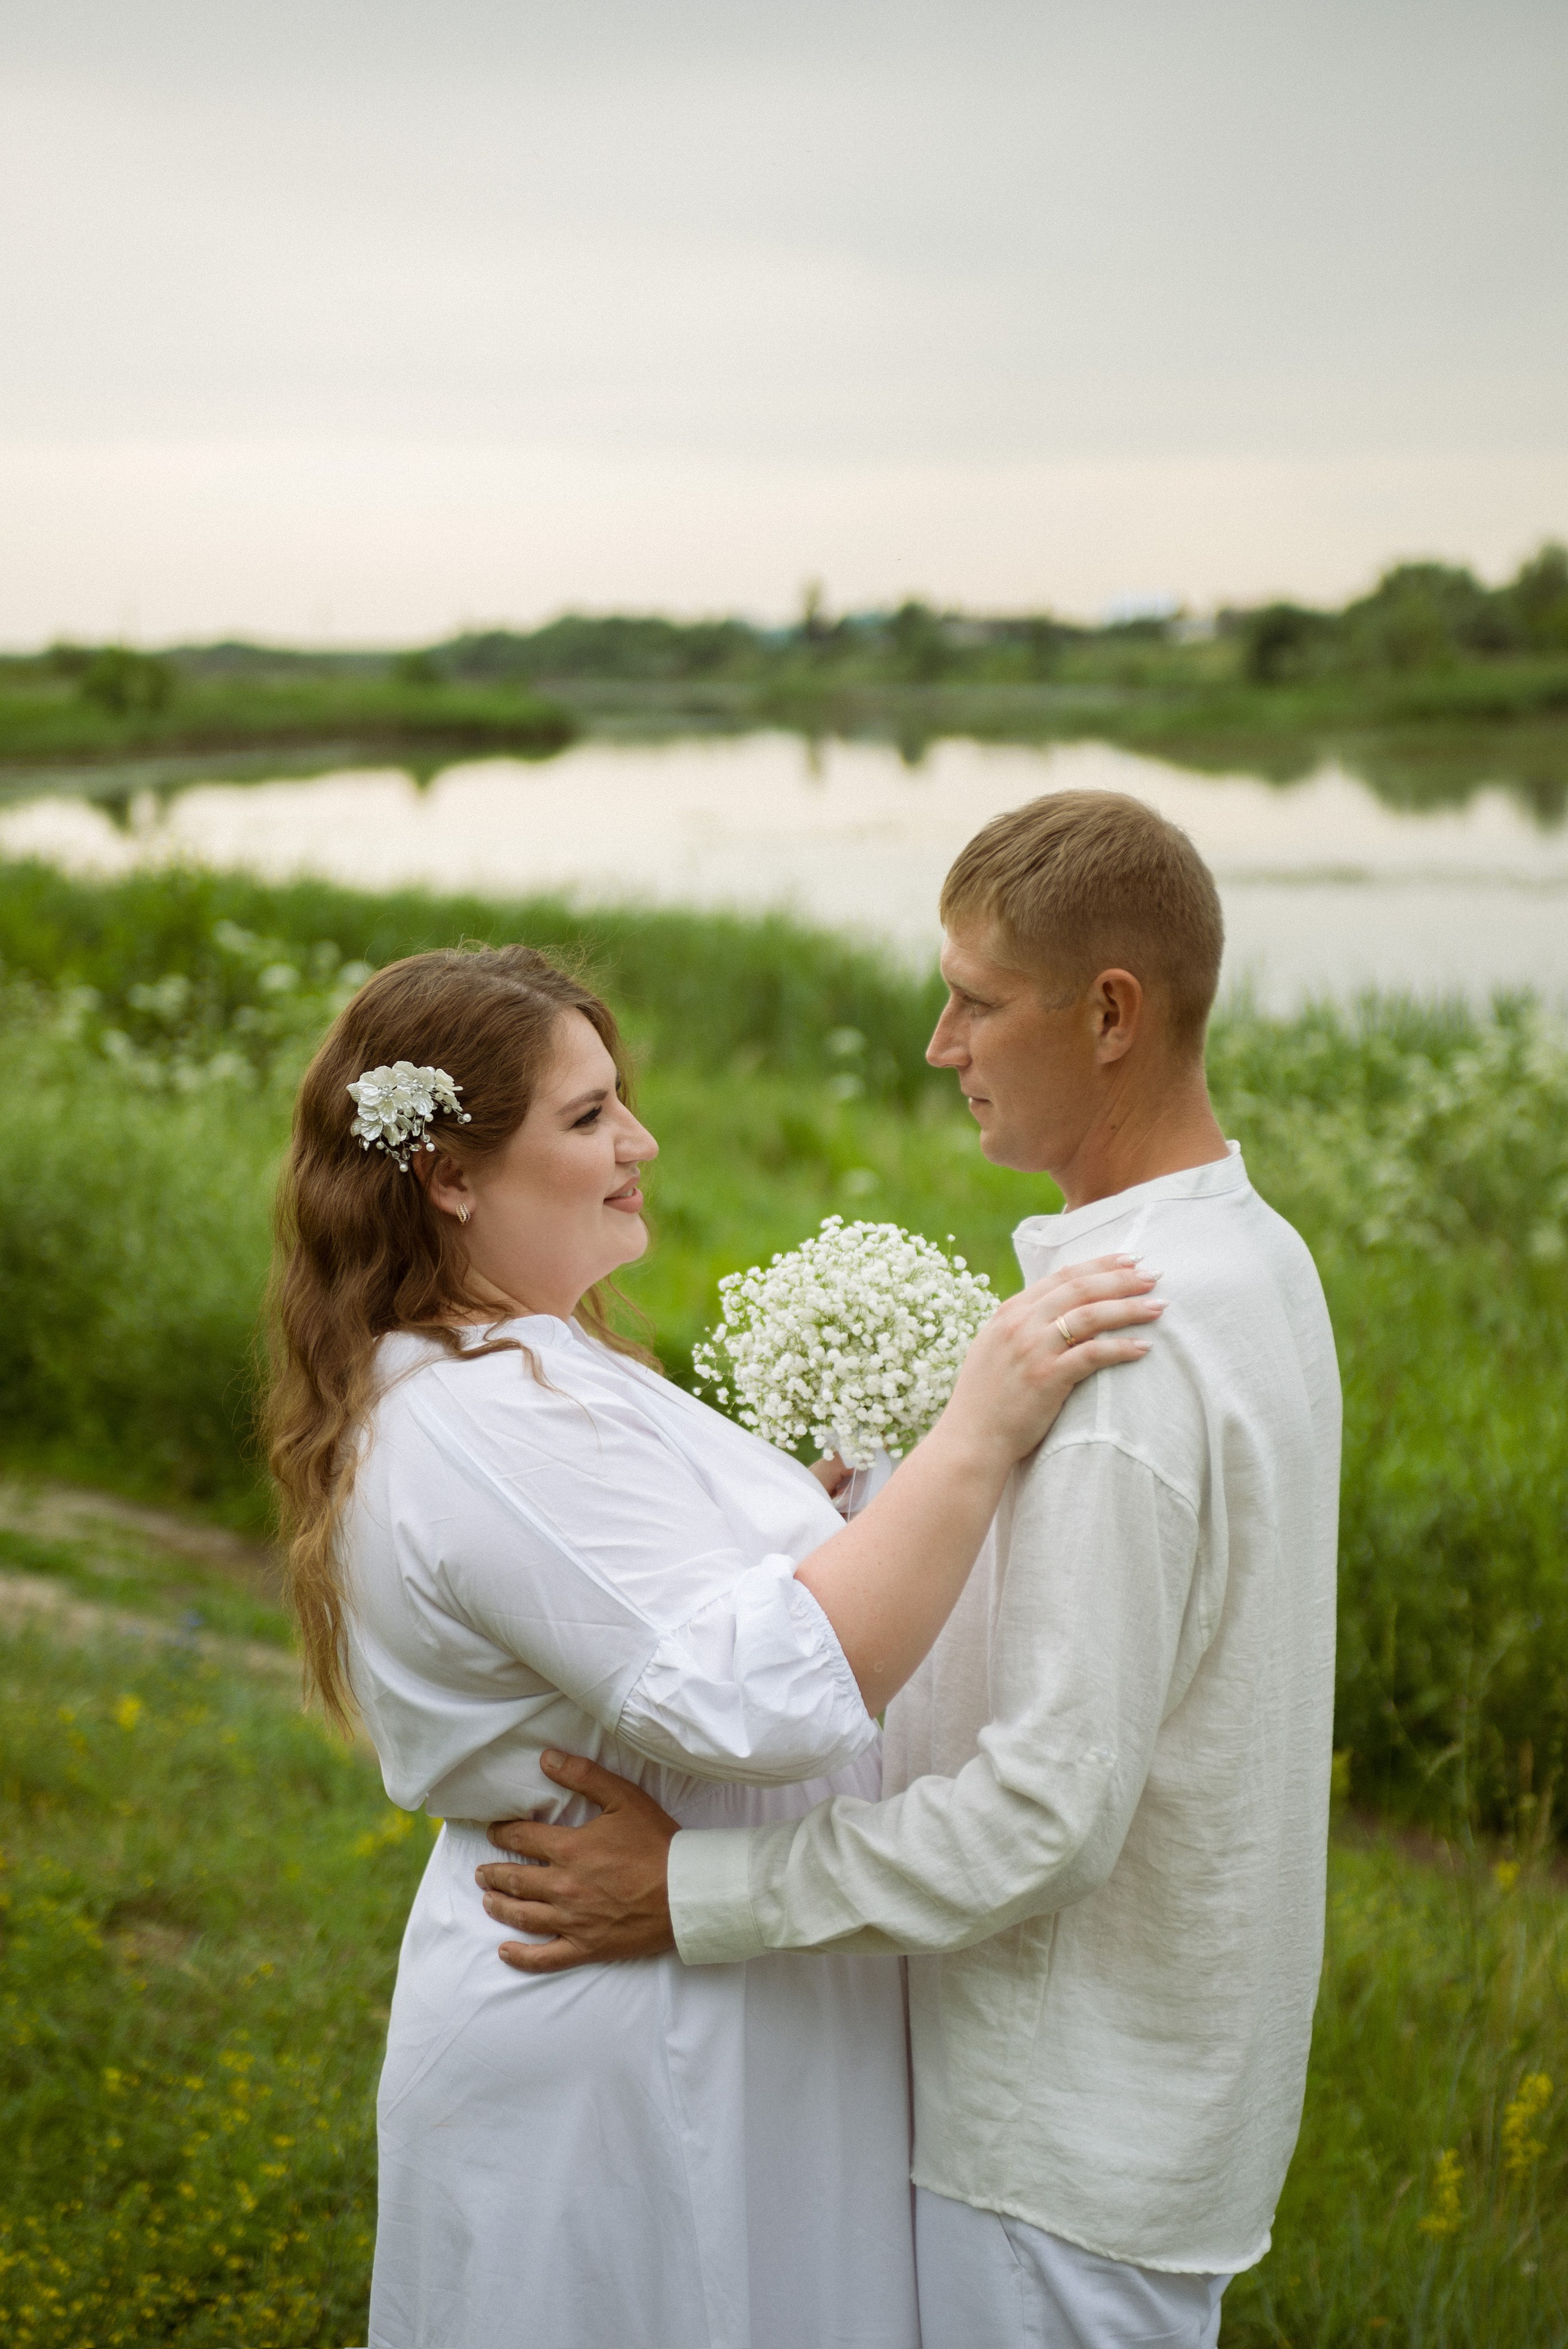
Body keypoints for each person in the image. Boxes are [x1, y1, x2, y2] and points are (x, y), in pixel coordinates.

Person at [475, 792, 1343, 2349]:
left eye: (976, 1001)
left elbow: (1042, 1816)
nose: (940, 1044)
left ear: (1110, 1015)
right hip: (1149, 2103)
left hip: (1054, 2140)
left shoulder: (1125, 1353)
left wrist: (688, 1889)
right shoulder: (1250, 1258)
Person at [264, 939, 1161, 2349]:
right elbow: (760, 1692)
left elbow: (665, 1609)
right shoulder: (482, 1418)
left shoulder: (536, 1361)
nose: (640, 1142)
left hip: (707, 1989)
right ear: (447, 1175)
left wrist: (817, 1536)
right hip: (631, 2030)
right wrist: (978, 1427)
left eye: (619, 1100)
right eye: (587, 1116)